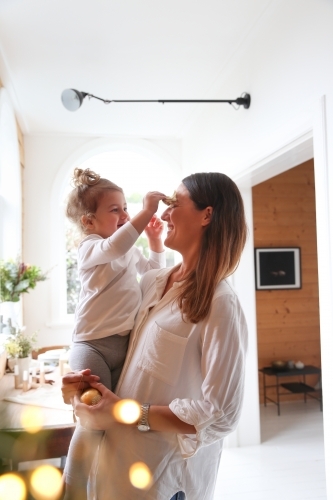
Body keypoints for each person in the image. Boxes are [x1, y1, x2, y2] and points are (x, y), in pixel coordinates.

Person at [62, 172, 248, 500]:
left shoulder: (220, 303)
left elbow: (221, 414)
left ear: (207, 215)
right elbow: (127, 364)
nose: (162, 214)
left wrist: (130, 413)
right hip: (114, 470)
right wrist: (82, 389)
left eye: (173, 204)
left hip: (163, 480)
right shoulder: (154, 282)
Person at [63, 167, 166, 500]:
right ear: (89, 223)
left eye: (126, 207)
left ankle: (101, 487)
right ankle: (73, 489)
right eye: (116, 209)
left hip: (124, 347)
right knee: (93, 420)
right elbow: (115, 248)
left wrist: (155, 243)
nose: (124, 214)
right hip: (91, 345)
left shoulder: (128, 250)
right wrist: (145, 210)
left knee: (115, 424)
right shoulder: (91, 248)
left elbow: (154, 276)